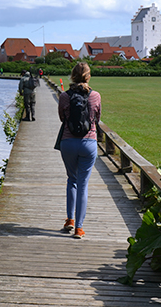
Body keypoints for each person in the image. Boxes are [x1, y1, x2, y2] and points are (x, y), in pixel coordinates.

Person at [58, 62, 101, 239]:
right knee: (83, 184)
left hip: (68, 143)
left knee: (72, 180)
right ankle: (79, 229)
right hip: (88, 142)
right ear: (88, 76)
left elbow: (62, 117)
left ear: (72, 76)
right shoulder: (95, 95)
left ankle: (69, 219)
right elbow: (97, 118)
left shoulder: (64, 96)